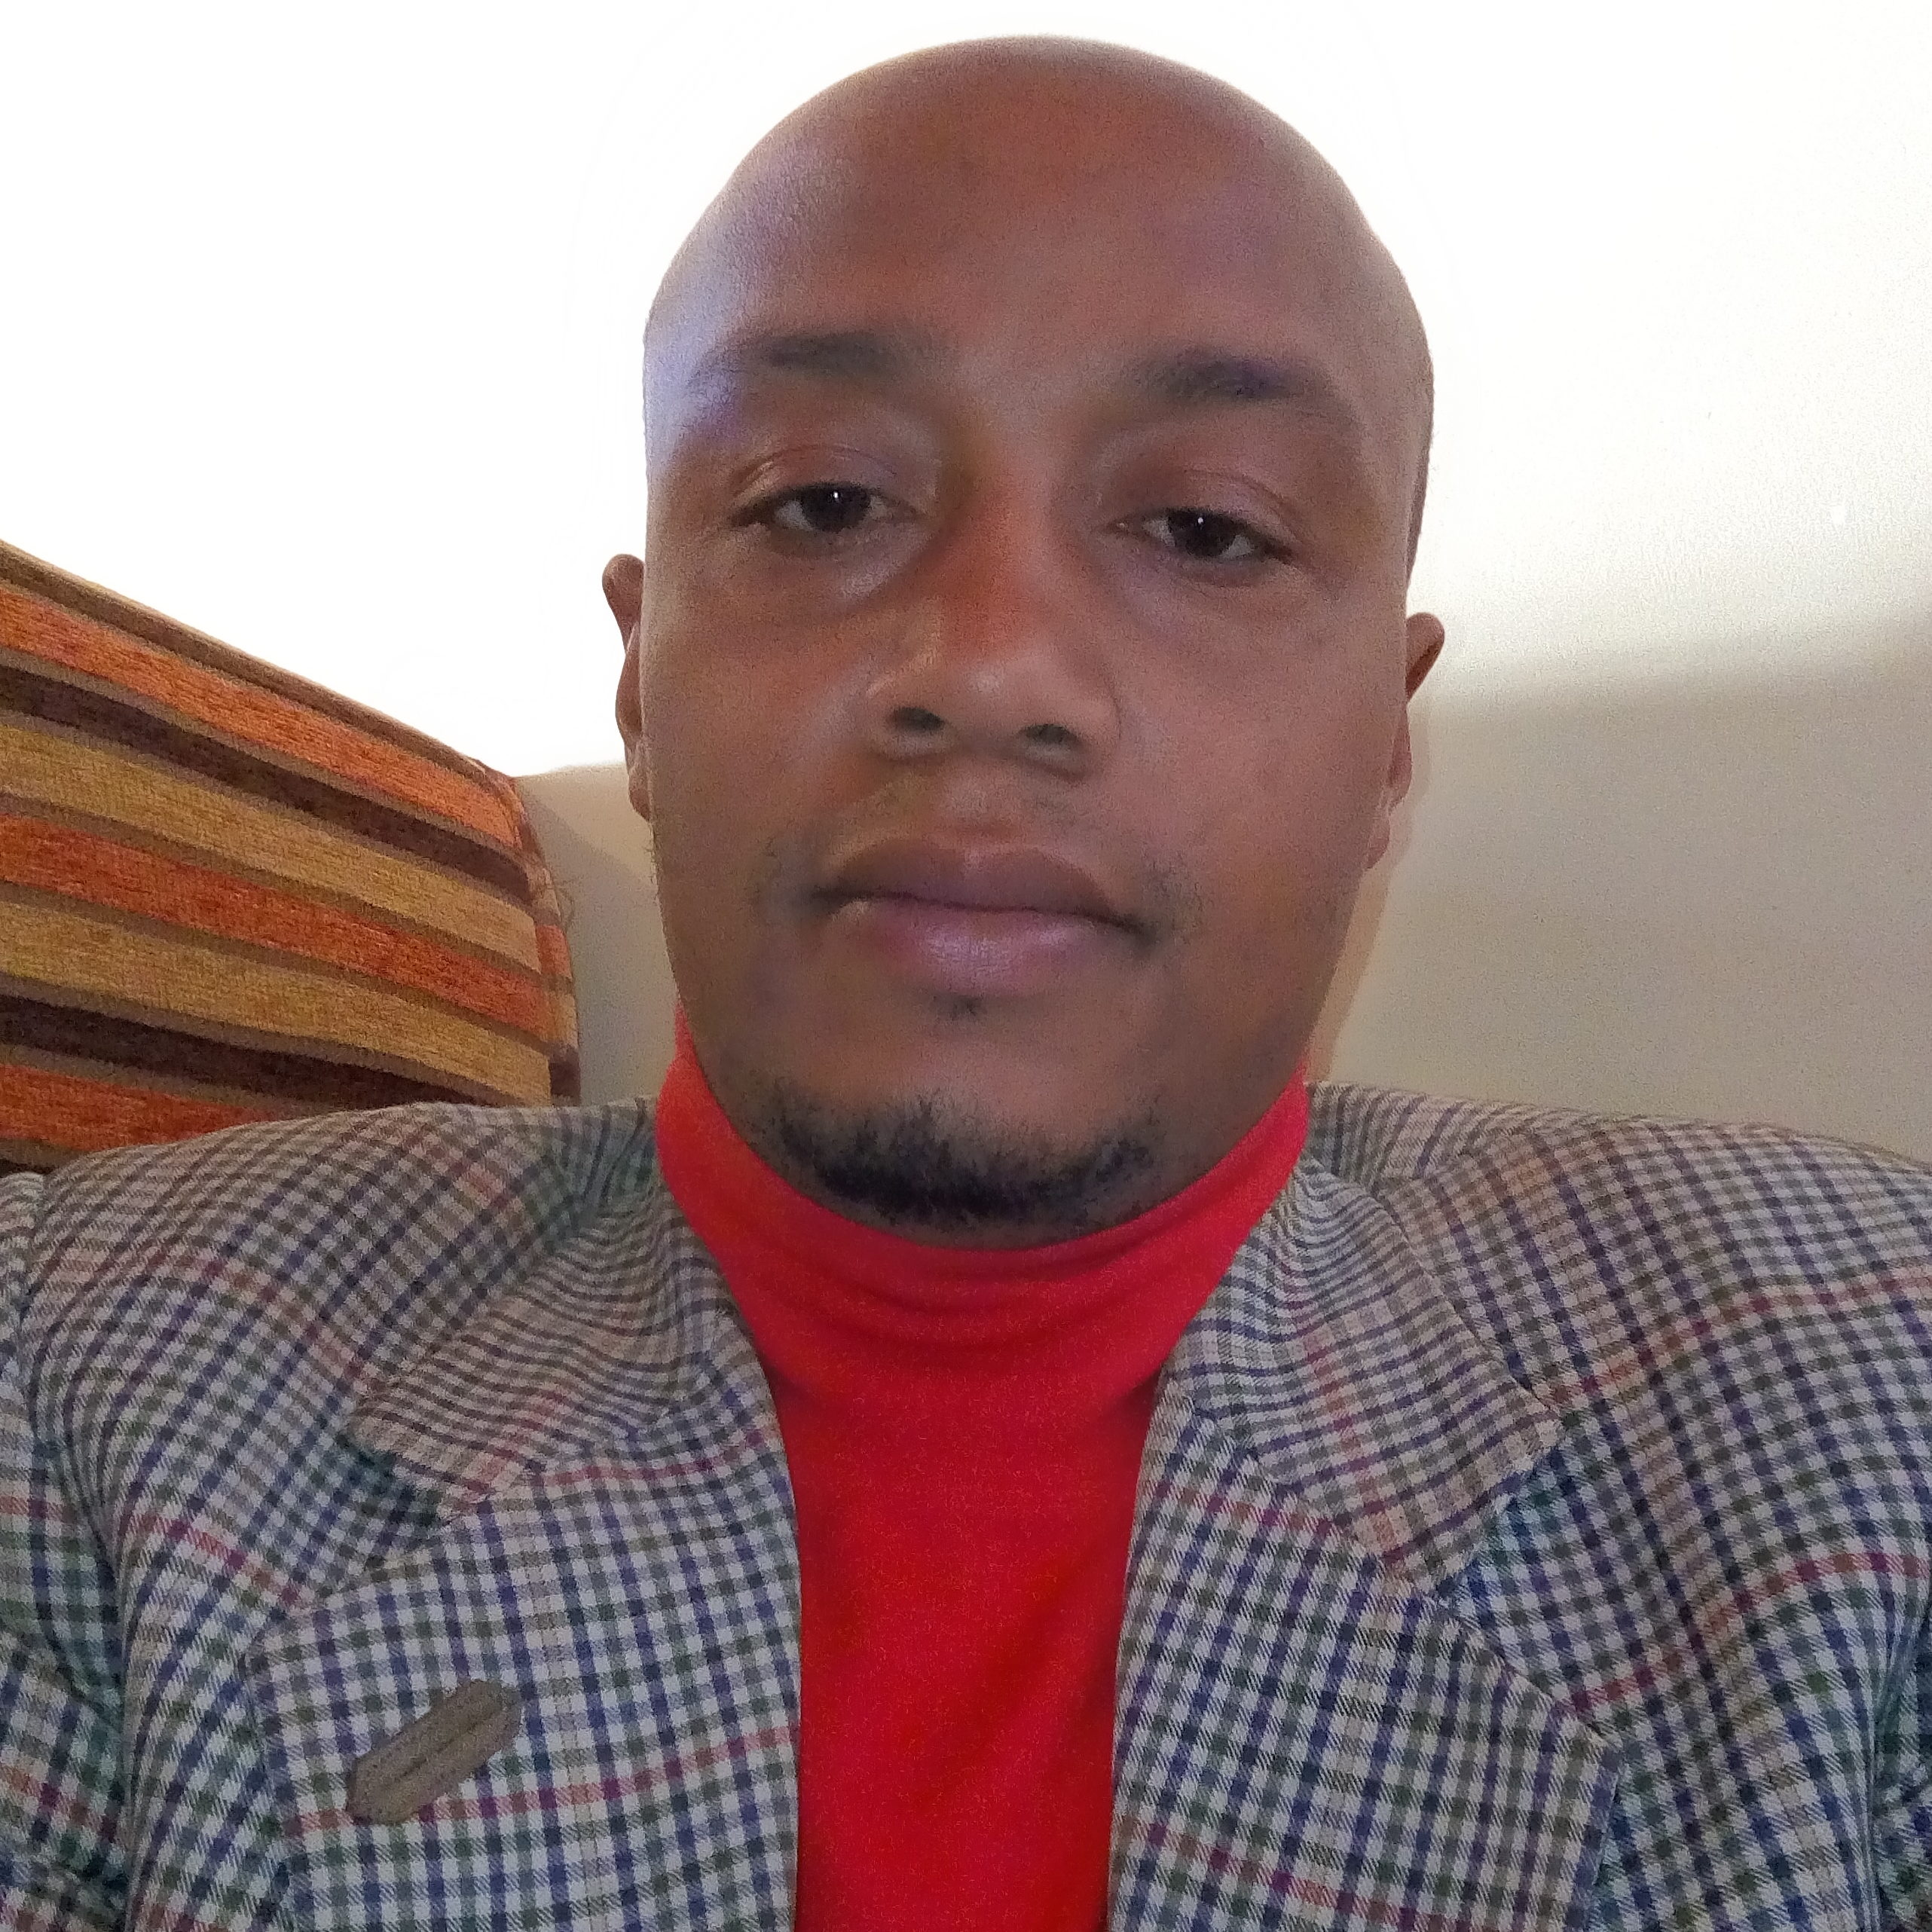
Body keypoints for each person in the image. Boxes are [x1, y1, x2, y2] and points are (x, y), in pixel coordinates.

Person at [2, 35, 1928, 1932]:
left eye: (1207, 527)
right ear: (641, 681)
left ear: (1387, 750)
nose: (990, 665)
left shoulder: (1868, 1391)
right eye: (821, 503)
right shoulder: (80, 1381)